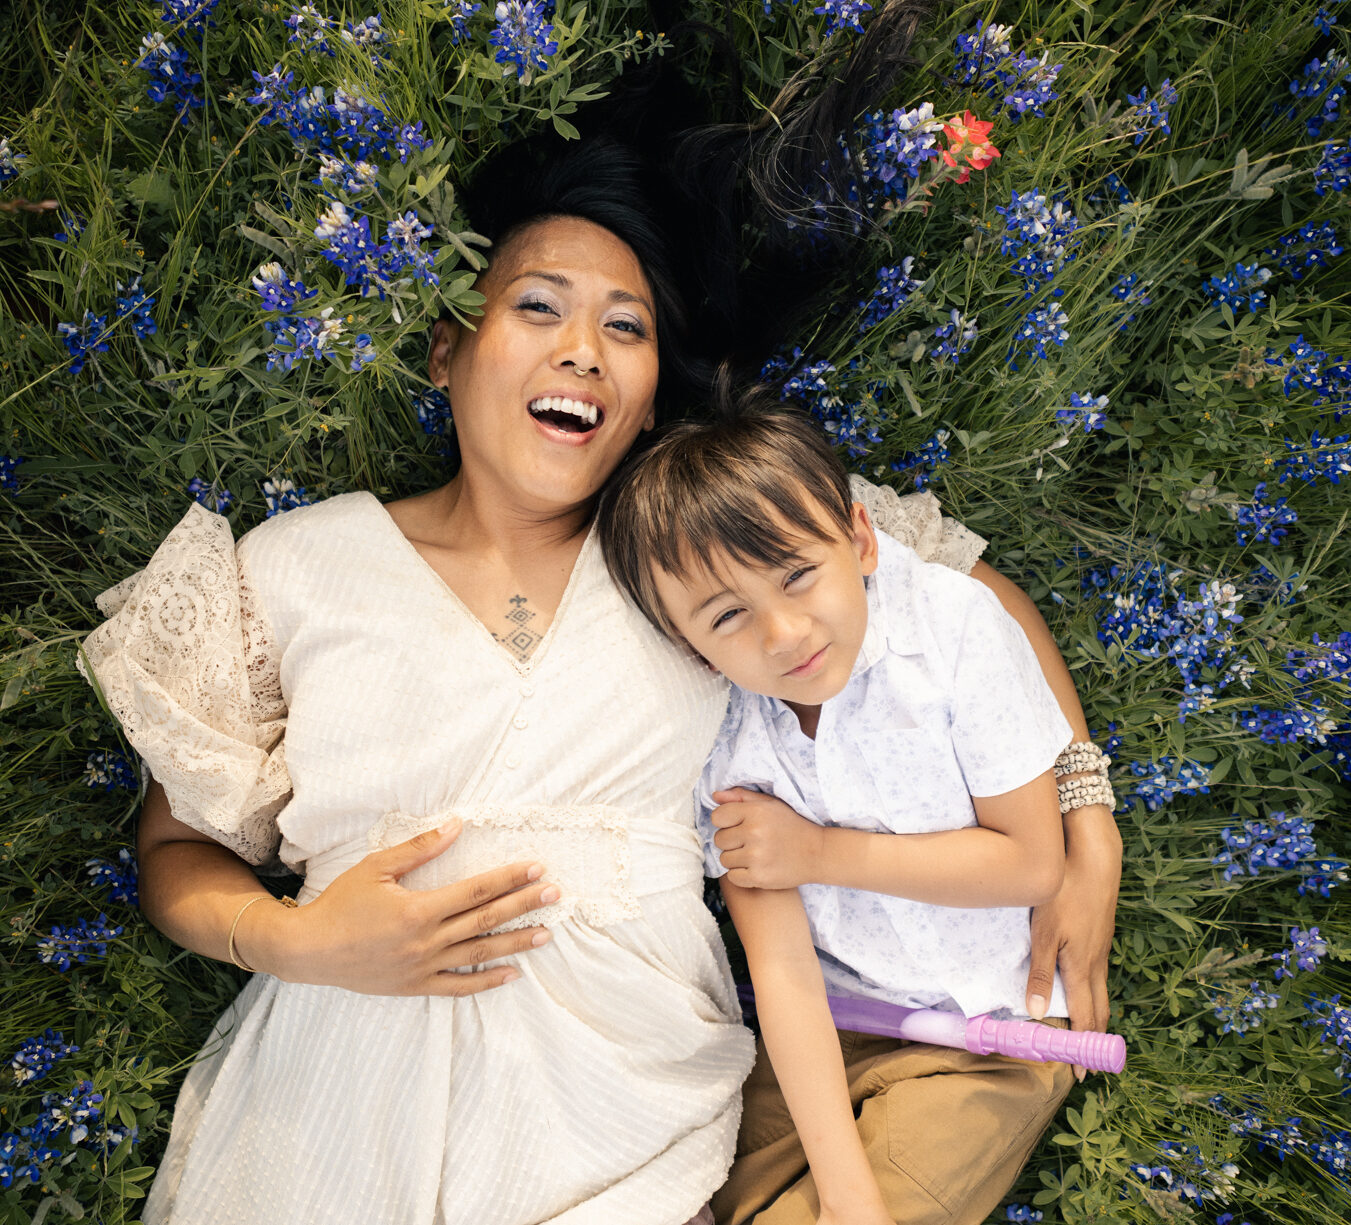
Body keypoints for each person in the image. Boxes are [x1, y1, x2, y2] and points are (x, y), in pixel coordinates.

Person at [76, 12, 1119, 1224]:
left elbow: (967, 593)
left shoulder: (689, 545)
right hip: (334, 1097)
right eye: (538, 309)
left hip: (629, 1120)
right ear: (444, 351)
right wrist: (295, 940)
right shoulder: (297, 563)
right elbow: (175, 853)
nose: (584, 350)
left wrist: (1081, 823)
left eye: (624, 328)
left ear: (644, 393)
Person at [597, 398, 1116, 1225]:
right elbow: (783, 976)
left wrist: (815, 853)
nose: (782, 631)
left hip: (989, 1040)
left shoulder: (951, 630)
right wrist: (842, 1187)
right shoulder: (725, 739)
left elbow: (1027, 862)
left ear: (861, 536)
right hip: (826, 1030)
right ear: (687, 644)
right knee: (676, 1193)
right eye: (726, 615)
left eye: (797, 573)